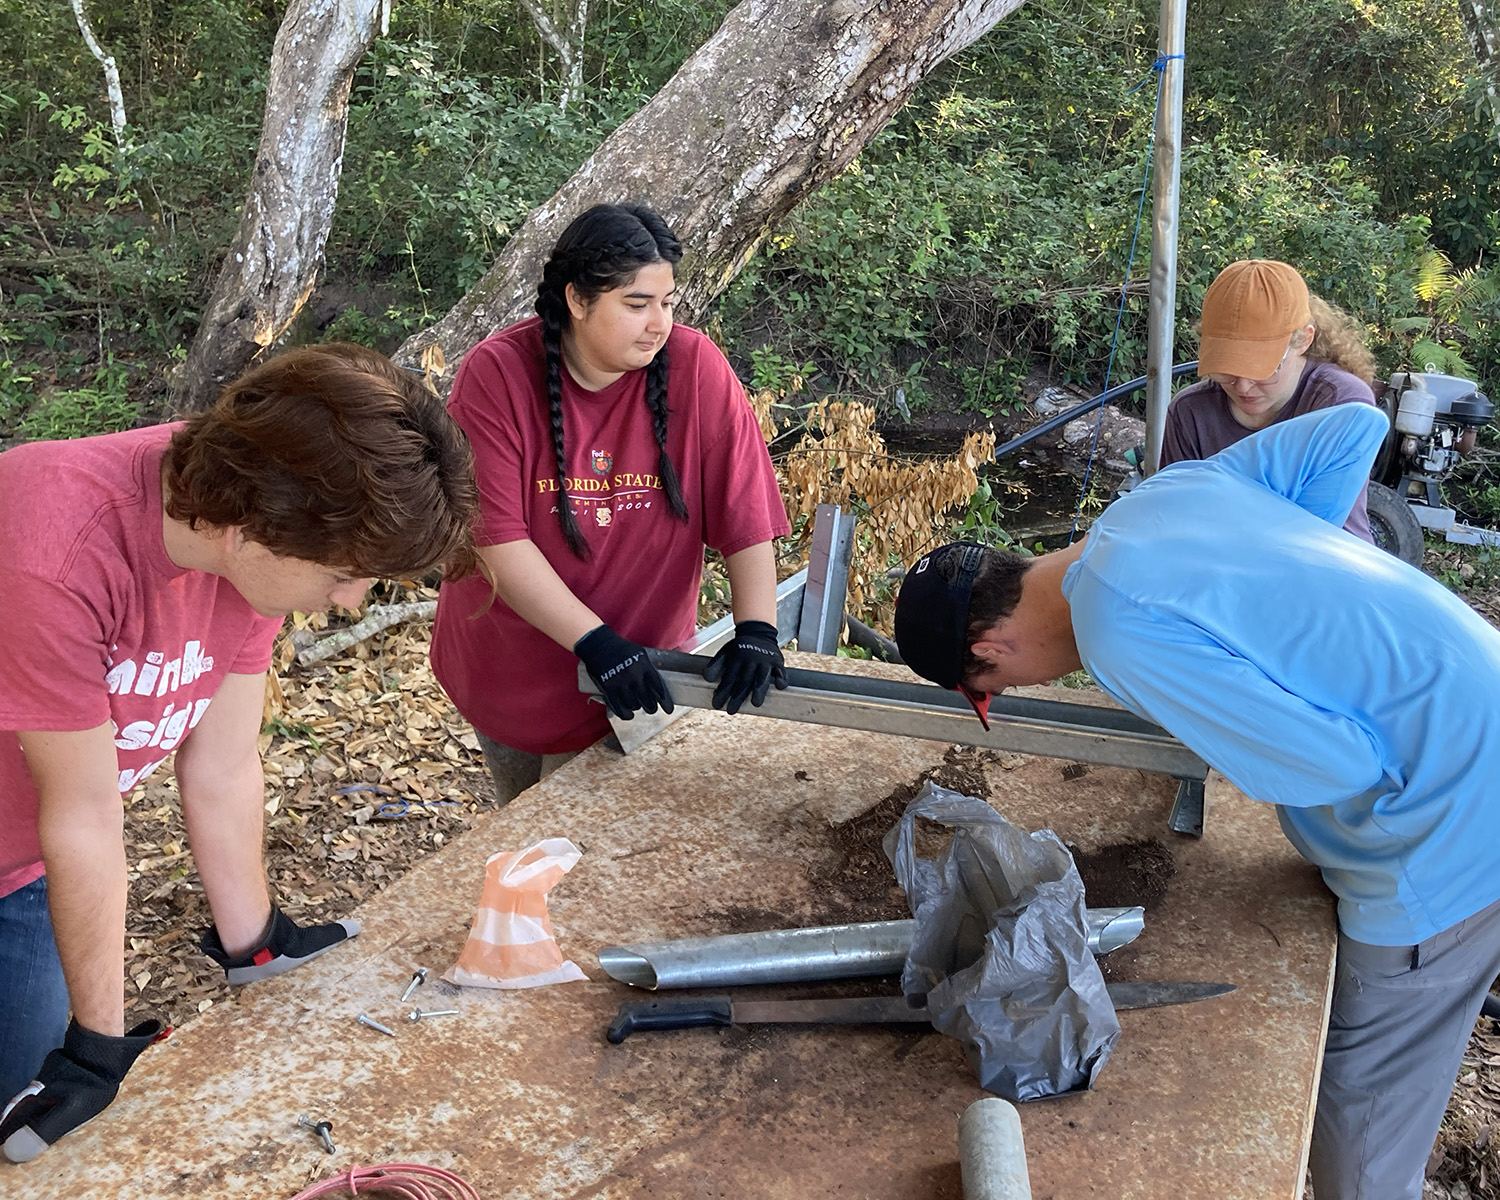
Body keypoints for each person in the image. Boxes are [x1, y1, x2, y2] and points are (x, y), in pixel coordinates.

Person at [893, 403, 1500, 1200]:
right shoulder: (1159, 499)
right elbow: (1351, 427)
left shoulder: (1115, 627)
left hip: (1454, 822)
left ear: (987, 650)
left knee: (1360, 1145)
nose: (1007, 695)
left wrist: (1252, 705)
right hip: (1480, 699)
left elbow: (1337, 762)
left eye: (989, 692)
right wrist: (1298, 603)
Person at [0, 343, 480, 1163]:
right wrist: (99, 1045)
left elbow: (220, 765)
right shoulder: (51, 544)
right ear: (246, 529)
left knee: (23, 1126)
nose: (349, 601)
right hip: (50, 834)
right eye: (345, 576)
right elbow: (82, 817)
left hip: (24, 871)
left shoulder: (266, 511)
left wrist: (253, 942)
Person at [430, 203, 790, 803]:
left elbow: (745, 510)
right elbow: (494, 538)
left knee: (592, 854)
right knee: (529, 840)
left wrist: (757, 630)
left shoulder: (696, 368)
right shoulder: (496, 373)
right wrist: (596, 644)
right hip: (512, 664)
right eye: (636, 304)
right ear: (576, 299)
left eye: (668, 302)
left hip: (641, 671)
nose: (659, 324)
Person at [1161, 258, 1380, 541]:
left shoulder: (1341, 405)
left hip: (1325, 566)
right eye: (1227, 368)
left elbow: (1313, 534)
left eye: (1263, 369)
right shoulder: (1190, 412)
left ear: (1303, 340)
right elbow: (1171, 520)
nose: (1243, 386)